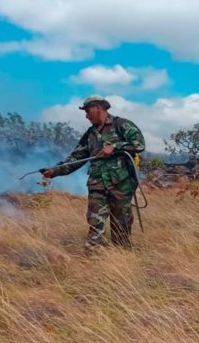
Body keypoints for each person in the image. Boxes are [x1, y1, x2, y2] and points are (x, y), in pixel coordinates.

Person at [41, 95, 145, 250]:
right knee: (95, 223)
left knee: (121, 227)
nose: (86, 115)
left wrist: (115, 147)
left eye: (88, 111)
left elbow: (139, 144)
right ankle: (92, 257)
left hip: (121, 185)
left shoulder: (122, 125)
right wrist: (55, 171)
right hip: (97, 186)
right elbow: (77, 157)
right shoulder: (90, 134)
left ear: (99, 108)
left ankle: (122, 260)